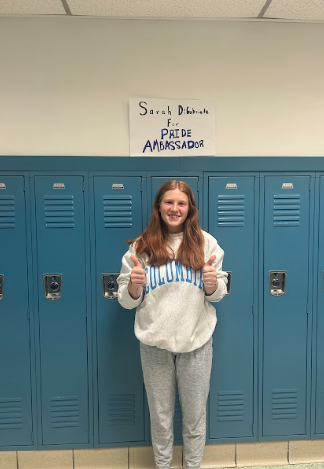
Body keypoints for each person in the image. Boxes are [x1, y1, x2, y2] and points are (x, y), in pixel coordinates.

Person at [117, 180, 227, 469]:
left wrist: (213, 285)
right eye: (169, 202)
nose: (174, 208)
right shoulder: (141, 246)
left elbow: (218, 296)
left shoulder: (207, 243)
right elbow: (126, 301)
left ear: (190, 208)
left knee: (194, 417)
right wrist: (132, 288)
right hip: (155, 345)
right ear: (158, 207)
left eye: (181, 203)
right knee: (161, 418)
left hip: (196, 344)